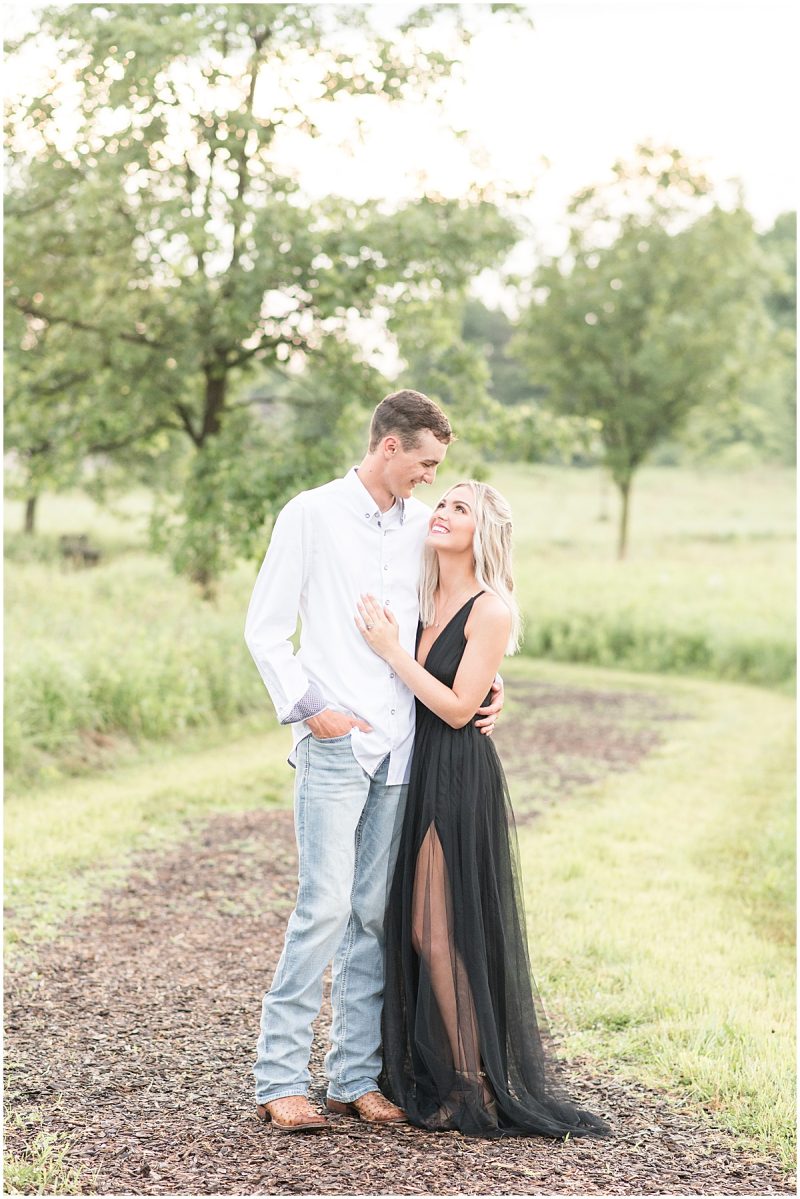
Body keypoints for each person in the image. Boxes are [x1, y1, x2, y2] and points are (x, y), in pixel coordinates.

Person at [244, 391, 504, 1133]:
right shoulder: (312, 514)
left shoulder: (427, 527)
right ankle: (280, 1076)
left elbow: (458, 611)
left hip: (403, 749)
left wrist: (491, 682)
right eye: (425, 462)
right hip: (332, 741)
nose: (431, 477)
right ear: (390, 447)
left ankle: (353, 1076)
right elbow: (265, 629)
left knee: (372, 914)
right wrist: (308, 706)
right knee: (322, 905)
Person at [356, 480, 609, 1139]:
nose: (441, 512)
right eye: (442, 502)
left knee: (434, 932)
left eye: (459, 508)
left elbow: (459, 707)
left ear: (484, 531)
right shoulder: (421, 594)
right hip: (418, 765)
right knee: (418, 930)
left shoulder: (489, 608)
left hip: (456, 771)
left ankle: (477, 1082)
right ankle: (468, 1073)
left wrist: (393, 652)